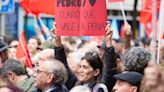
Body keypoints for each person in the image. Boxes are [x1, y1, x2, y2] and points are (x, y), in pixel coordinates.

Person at [52, 22, 117, 91]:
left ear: (96, 72)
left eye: (85, 67)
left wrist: (109, 41)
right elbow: (63, 66)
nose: (80, 71)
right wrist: (57, 40)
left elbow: (110, 68)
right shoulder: (75, 84)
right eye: (80, 66)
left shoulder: (101, 87)